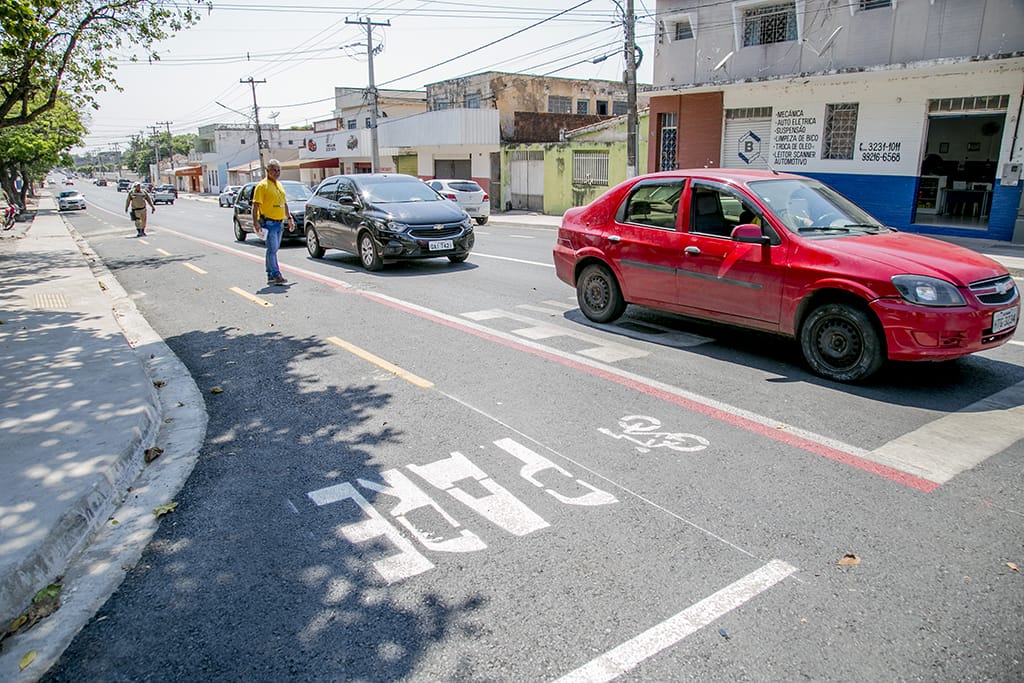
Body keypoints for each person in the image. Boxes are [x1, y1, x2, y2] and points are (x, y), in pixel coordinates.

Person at [251, 159, 294, 285]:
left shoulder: (279, 185)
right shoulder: (262, 186)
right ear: (267, 171)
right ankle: (276, 274)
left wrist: (289, 218)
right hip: (269, 223)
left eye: (278, 170)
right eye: (274, 170)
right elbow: (255, 205)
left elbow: (284, 203)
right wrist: (255, 222)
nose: (276, 172)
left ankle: (270, 273)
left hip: (279, 222)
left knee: (273, 250)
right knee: (273, 249)